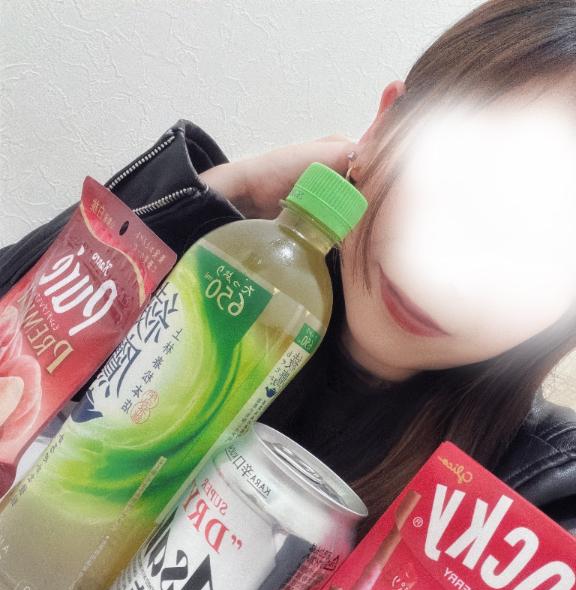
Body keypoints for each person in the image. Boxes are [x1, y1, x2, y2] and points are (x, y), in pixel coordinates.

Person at [2, 0, 576, 541]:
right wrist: (220, 194)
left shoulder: (543, 494)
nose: (453, 278)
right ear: (381, 128)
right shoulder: (206, 272)